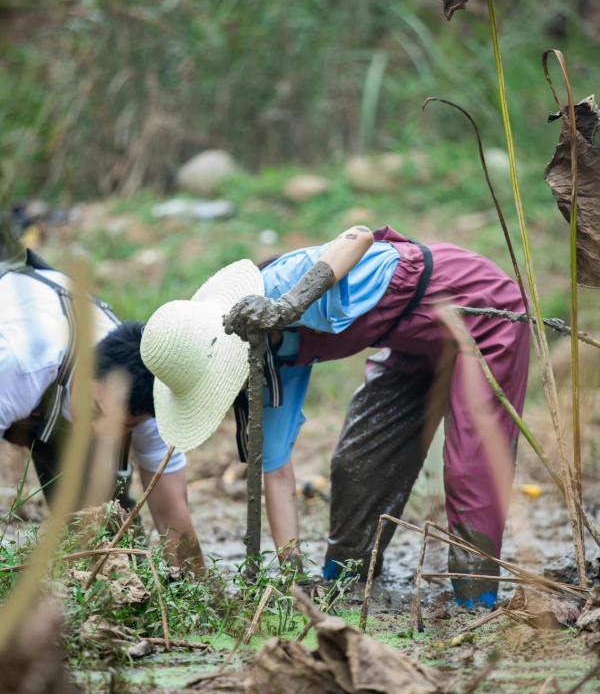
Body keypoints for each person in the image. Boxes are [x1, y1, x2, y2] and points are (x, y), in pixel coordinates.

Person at [141, 225, 530, 607]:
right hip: (408, 341)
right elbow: (274, 471)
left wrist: (291, 304)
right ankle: (346, 580)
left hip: (477, 310)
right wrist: (291, 575)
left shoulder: (278, 284)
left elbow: (358, 237)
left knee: (469, 467)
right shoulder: (267, 368)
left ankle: (475, 598)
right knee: (359, 459)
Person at [0, 244, 204, 573]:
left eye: (121, 426)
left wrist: (202, 592)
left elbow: (172, 512)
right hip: (17, 338)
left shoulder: (151, 399)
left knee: (107, 546)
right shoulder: (23, 362)